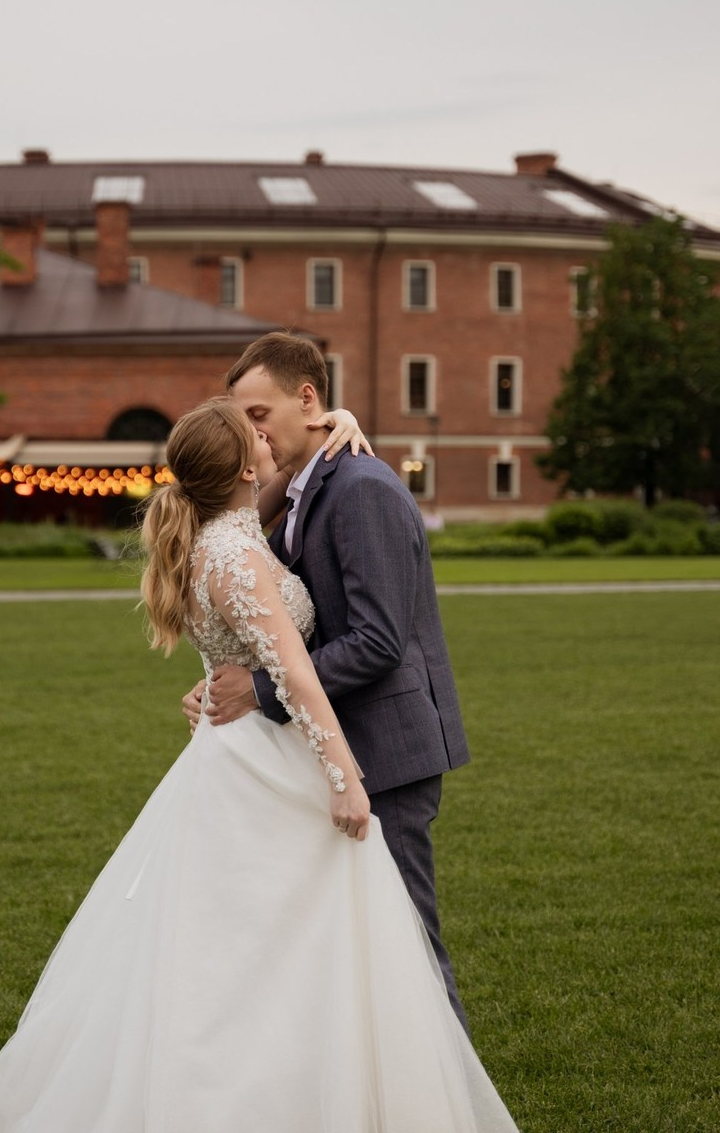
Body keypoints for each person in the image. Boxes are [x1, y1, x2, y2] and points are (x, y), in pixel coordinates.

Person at [0, 398, 520, 1132]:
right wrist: (347, 782)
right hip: (267, 766)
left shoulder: (218, 529)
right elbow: (298, 677)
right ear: (240, 467)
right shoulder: (234, 554)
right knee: (281, 945)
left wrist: (340, 419)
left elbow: (266, 489)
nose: (267, 439)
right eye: (255, 436)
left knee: (252, 946)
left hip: (231, 758)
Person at [184, 332, 471, 1031]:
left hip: (388, 750)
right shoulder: (313, 482)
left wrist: (258, 687)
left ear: (306, 398)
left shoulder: (363, 487)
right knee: (355, 949)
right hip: (339, 746)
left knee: (409, 944)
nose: (250, 431)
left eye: (259, 414)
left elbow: (378, 640)